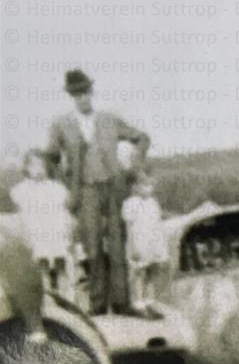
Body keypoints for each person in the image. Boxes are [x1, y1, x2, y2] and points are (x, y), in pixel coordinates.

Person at [44, 69, 150, 316]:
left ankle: (122, 304)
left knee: (116, 245)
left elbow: (142, 138)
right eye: (77, 94)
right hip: (86, 192)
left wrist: (134, 164)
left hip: (114, 188)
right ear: (72, 97)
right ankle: (98, 305)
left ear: (92, 93)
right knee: (92, 247)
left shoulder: (110, 120)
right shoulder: (62, 125)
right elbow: (50, 157)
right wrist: (65, 184)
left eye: (86, 93)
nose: (83, 98)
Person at [9, 149, 77, 301]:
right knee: (41, 266)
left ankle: (66, 299)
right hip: (36, 234)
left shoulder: (56, 188)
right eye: (33, 165)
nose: (38, 169)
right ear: (26, 168)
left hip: (55, 232)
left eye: (41, 165)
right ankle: (46, 300)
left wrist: (67, 230)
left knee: (61, 264)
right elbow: (18, 216)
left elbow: (64, 211)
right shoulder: (21, 190)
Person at [122, 171, 166, 316]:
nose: (149, 188)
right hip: (139, 242)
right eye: (145, 185)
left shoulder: (153, 203)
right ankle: (138, 304)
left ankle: (149, 302)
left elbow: (157, 224)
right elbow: (129, 227)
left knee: (152, 272)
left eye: (151, 185)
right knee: (138, 274)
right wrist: (133, 247)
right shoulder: (130, 203)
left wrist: (159, 246)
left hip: (152, 243)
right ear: (135, 186)